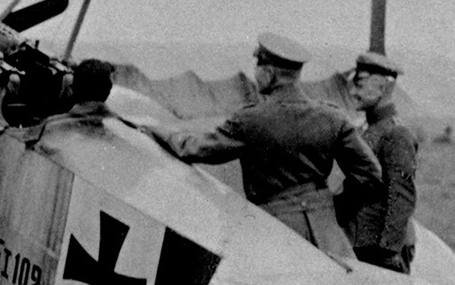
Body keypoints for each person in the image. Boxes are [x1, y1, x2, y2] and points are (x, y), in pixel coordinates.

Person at [145, 33, 382, 259]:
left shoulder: (250, 120)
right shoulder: (332, 117)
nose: (255, 75)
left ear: (269, 73)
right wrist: (333, 207)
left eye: (258, 68)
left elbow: (196, 149)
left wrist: (158, 130)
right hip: (327, 234)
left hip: (273, 231)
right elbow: (370, 174)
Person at [336, 52, 417, 273]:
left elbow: (401, 197)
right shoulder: (367, 131)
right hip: (363, 243)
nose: (353, 92)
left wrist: (389, 252)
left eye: (360, 84)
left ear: (382, 87)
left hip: (381, 250)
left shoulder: (396, 134)